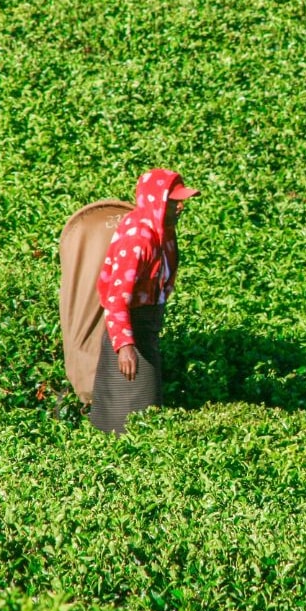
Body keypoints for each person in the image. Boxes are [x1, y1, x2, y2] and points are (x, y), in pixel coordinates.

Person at [89, 168, 199, 434]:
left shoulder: (162, 230)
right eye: (174, 201)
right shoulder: (139, 237)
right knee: (129, 408)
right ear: (158, 201)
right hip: (131, 327)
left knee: (145, 406)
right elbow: (116, 297)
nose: (181, 207)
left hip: (146, 325)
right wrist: (124, 345)